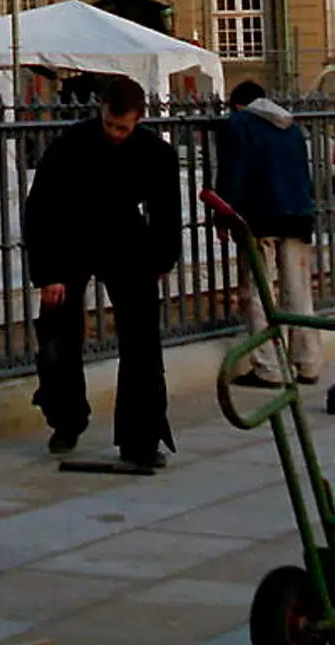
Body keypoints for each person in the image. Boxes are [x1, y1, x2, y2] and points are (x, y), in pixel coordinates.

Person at [23, 74, 182, 470]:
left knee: (142, 342)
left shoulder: (155, 155)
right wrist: (48, 274)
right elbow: (41, 209)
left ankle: (140, 438)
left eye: (123, 128)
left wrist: (160, 261)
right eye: (110, 124)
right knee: (58, 334)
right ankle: (66, 418)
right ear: (101, 112)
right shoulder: (69, 146)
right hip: (70, 239)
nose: (115, 134)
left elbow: (166, 214)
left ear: (139, 120)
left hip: (126, 242)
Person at [214, 79, 318, 387]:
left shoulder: (241, 123)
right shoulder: (291, 125)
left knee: (259, 293)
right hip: (297, 215)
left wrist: (224, 216)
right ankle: (308, 362)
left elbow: (233, 173)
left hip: (259, 217)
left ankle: (268, 367)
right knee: (298, 292)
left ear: (238, 105)